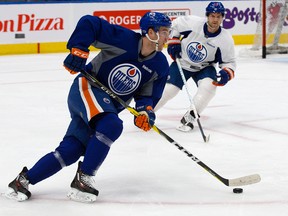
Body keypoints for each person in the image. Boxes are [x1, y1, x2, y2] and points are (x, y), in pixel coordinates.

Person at [5, 12, 171, 203]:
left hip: (105, 107)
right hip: (87, 88)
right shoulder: (124, 39)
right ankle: (83, 178)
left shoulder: (160, 64)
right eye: (165, 31)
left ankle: (23, 181)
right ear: (151, 32)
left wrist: (145, 112)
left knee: (71, 150)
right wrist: (79, 49)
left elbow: (147, 96)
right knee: (112, 125)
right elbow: (89, 22)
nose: (168, 37)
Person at [154, 2, 236, 132]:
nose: (215, 20)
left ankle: (189, 117)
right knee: (169, 90)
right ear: (207, 16)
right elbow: (174, 26)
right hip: (183, 62)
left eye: (218, 16)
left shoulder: (225, 39)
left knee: (209, 87)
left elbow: (229, 62)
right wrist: (173, 41)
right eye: (213, 16)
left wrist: (226, 73)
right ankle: (147, 113)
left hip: (205, 67)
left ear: (222, 18)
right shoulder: (192, 23)